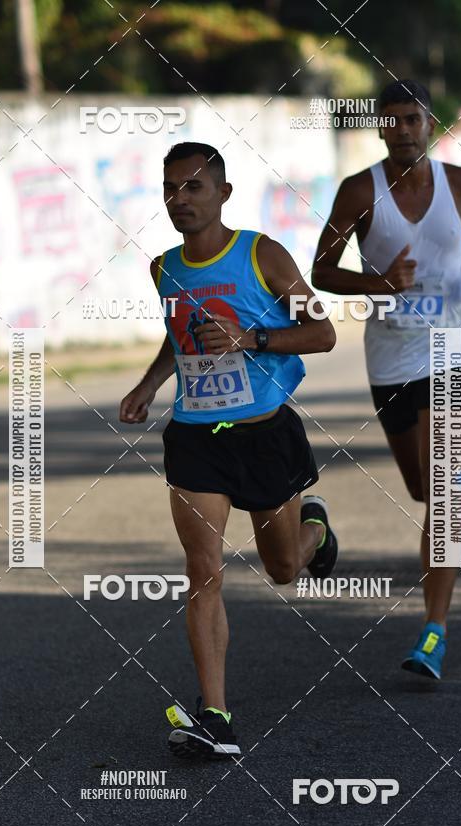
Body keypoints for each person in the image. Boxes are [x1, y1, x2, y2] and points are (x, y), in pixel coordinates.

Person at [120, 142, 338, 758]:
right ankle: (214, 716)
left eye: (193, 187)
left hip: (264, 436)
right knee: (202, 572)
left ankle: (315, 528)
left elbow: (321, 332)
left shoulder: (260, 254)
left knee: (284, 569)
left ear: (222, 193)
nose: (179, 200)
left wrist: (253, 336)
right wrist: (149, 383)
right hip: (195, 438)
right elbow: (180, 337)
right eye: (170, 188)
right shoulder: (163, 268)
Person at [312, 80, 461, 680]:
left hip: (452, 346)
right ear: (379, 128)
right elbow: (322, 270)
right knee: (428, 490)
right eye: (391, 121)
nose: (402, 130)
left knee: (441, 493)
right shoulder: (359, 191)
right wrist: (378, 284)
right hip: (391, 356)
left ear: (431, 124)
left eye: (413, 119)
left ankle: (434, 631)